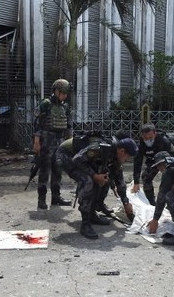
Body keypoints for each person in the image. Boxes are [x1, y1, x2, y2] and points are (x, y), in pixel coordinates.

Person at [69, 137, 138, 239]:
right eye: (127, 156)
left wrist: (126, 203)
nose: (126, 160)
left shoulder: (116, 157)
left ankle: (92, 213)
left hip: (83, 162)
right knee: (89, 182)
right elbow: (77, 160)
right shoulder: (100, 148)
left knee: (105, 178)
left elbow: (120, 182)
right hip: (66, 157)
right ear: (122, 151)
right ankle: (85, 223)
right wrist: (94, 175)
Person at [32, 79, 73, 210]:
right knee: (44, 171)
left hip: (60, 143)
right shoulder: (46, 104)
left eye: (66, 94)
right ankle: (41, 199)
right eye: (63, 93)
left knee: (58, 170)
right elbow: (37, 123)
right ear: (56, 91)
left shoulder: (65, 106)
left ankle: (56, 198)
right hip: (46, 143)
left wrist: (70, 141)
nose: (65, 96)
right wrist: (37, 141)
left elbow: (69, 125)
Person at [131, 123, 174, 205]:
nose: (148, 140)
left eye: (150, 138)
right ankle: (151, 202)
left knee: (169, 181)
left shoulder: (164, 141)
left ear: (155, 134)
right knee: (146, 176)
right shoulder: (141, 143)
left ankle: (172, 201)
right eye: (146, 138)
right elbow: (138, 161)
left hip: (167, 160)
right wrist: (136, 182)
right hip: (153, 161)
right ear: (142, 136)